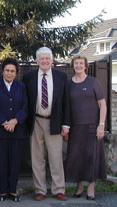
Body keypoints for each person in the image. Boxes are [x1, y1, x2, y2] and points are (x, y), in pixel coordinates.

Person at [22, 47, 70, 201]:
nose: (44, 61)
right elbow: (24, 101)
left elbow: (66, 102)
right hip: (35, 121)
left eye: (47, 58)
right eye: (41, 59)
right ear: (37, 61)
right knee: (37, 158)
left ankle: (58, 189)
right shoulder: (28, 77)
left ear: (52, 60)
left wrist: (66, 125)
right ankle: (40, 190)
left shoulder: (61, 76)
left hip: (54, 121)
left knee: (56, 157)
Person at [64, 56, 107, 200]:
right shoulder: (69, 84)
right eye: (76, 63)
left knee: (91, 158)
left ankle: (91, 187)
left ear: (85, 66)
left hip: (92, 127)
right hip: (75, 128)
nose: (78, 65)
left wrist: (101, 125)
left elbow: (103, 105)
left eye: (81, 63)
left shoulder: (93, 82)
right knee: (76, 158)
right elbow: (66, 107)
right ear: (73, 66)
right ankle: (79, 186)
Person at [0, 58, 28, 202]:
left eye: (12, 71)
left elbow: (25, 107)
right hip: (0, 130)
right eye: (7, 70)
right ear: (2, 71)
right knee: (1, 161)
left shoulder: (22, 87)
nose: (9, 73)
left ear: (16, 73)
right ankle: (3, 190)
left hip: (17, 131)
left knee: (15, 162)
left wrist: (15, 121)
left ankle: (13, 190)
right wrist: (4, 122)